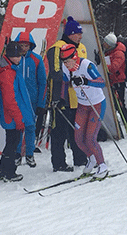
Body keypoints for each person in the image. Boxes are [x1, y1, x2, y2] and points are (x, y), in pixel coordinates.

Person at [60, 44, 108, 178]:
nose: (67, 64)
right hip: (82, 105)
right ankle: (92, 159)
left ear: (75, 58)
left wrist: (85, 80)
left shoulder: (87, 65)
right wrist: (62, 98)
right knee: (78, 139)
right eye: (64, 62)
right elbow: (64, 82)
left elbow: (101, 82)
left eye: (68, 61)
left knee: (90, 138)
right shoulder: (65, 68)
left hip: (96, 104)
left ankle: (102, 165)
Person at [46, 16, 88, 172]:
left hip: (78, 98)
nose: (80, 36)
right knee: (59, 132)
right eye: (77, 33)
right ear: (70, 34)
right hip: (61, 98)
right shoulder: (57, 48)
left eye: (80, 33)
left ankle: (80, 159)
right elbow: (56, 72)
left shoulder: (81, 47)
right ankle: (59, 163)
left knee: (77, 130)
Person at [0, 42, 35, 182]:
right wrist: (19, 118)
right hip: (12, 116)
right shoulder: (7, 74)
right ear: (10, 56)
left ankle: (2, 170)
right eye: (16, 56)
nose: (19, 59)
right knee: (13, 144)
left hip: (13, 115)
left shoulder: (10, 70)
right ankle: (9, 172)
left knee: (11, 143)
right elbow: (10, 100)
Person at [13, 31, 47, 167]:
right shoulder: (12, 58)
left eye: (26, 45)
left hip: (32, 100)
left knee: (30, 127)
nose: (23, 48)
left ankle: (29, 154)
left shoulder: (37, 59)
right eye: (21, 45)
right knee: (17, 127)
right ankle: (16, 153)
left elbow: (43, 82)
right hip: (16, 99)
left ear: (30, 46)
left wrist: (41, 103)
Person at [103, 32, 126, 105]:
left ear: (109, 44)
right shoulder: (109, 52)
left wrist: (103, 66)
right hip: (112, 80)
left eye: (105, 42)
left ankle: (125, 116)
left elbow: (114, 67)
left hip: (117, 81)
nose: (103, 44)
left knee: (119, 104)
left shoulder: (119, 53)